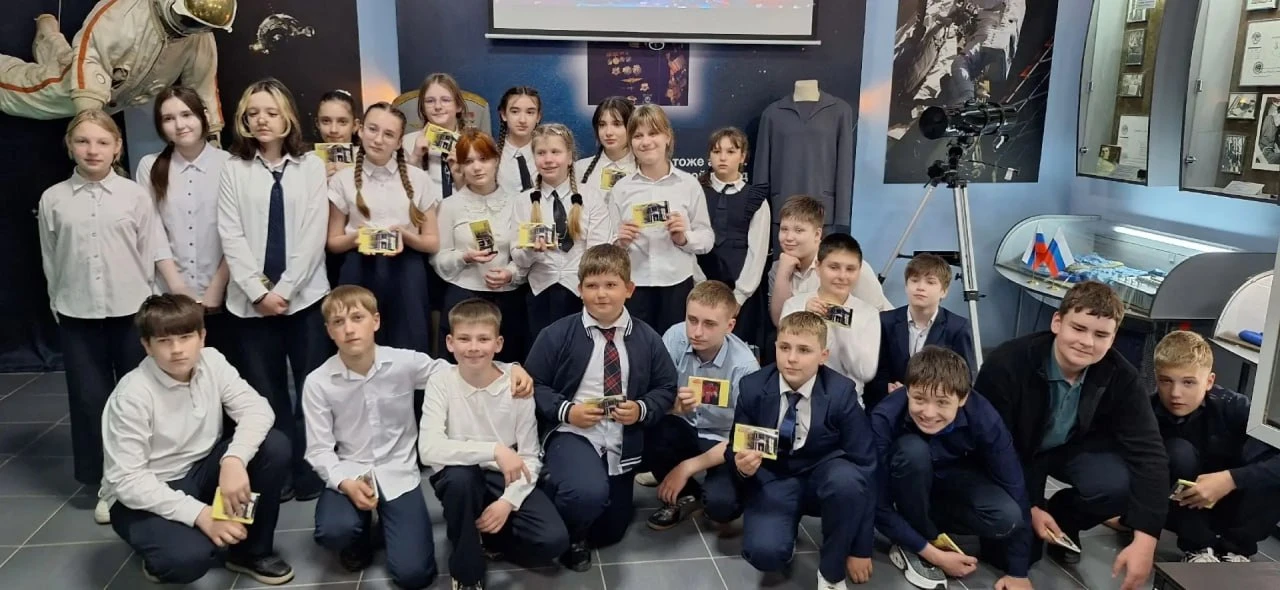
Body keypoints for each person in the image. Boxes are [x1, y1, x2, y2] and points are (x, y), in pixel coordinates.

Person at [302, 285, 535, 587]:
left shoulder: (404, 362)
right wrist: (344, 482)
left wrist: (512, 368)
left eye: (357, 318)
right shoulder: (318, 382)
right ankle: (355, 541)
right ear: (328, 330)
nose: (349, 329)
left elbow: (462, 365)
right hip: (350, 470)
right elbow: (318, 449)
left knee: (414, 575)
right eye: (338, 322)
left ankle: (389, 524)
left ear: (376, 321)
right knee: (334, 531)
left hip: (398, 472)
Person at [974, 281, 1168, 590]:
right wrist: (1030, 505)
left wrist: (1146, 539)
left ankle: (1065, 516)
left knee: (1120, 484)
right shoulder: (1007, 362)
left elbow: (1150, 453)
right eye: (1078, 328)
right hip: (1013, 454)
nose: (1087, 342)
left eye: (1101, 335)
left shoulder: (1123, 377)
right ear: (1057, 322)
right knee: (1012, 551)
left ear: (1113, 338)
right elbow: (991, 446)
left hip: (1070, 449)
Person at [101, 294, 293, 585]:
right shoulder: (132, 395)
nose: (177, 350)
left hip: (200, 471)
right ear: (147, 346)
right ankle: (159, 553)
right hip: (144, 492)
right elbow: (127, 481)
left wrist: (233, 460)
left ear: (202, 336)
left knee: (273, 447)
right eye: (164, 341)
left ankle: (249, 552)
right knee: (188, 558)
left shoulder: (212, 361)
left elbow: (257, 409)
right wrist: (201, 514)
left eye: (185, 337)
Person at [38, 109, 164, 520]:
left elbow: (148, 253)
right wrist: (58, 302)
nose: (92, 150)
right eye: (83, 141)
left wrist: (149, 306)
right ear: (70, 147)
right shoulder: (54, 199)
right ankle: (107, 484)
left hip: (131, 313)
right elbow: (50, 258)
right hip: (77, 313)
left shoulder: (135, 196)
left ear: (117, 148)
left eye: (102, 142)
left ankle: (146, 473)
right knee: (90, 400)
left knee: (137, 398)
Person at [525, 244, 678, 572]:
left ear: (629, 289)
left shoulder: (648, 338)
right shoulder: (557, 334)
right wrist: (567, 410)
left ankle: (569, 497)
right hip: (574, 431)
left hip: (622, 437)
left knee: (610, 531)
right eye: (592, 285)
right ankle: (572, 532)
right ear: (579, 289)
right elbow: (533, 384)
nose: (601, 294)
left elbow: (667, 387)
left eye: (611, 285)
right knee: (586, 494)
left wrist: (641, 409)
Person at [218, 78, 332, 502]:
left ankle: (311, 470)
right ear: (243, 121)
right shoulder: (233, 169)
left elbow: (313, 234)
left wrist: (284, 290)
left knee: (311, 389)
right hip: (249, 304)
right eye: (253, 113)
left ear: (287, 117)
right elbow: (230, 234)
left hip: (305, 298)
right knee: (265, 392)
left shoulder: (311, 166)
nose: (262, 120)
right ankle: (277, 471)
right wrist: (258, 292)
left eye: (271, 112)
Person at [421, 298, 570, 590]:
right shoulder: (441, 382)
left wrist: (507, 502)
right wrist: (495, 449)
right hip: (460, 473)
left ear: (498, 343)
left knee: (553, 541)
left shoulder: (517, 385)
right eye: (464, 339)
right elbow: (428, 449)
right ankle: (467, 570)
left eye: (483, 339)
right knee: (460, 481)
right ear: (450, 343)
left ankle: (483, 533)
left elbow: (529, 456)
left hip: (504, 475)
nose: (473, 347)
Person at [728, 310, 876, 589]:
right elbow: (735, 446)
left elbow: (866, 465)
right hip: (774, 478)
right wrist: (741, 467)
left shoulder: (841, 392)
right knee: (764, 553)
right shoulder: (753, 387)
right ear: (775, 347)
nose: (792, 358)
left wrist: (861, 547)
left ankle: (830, 574)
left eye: (804, 350)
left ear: (823, 355)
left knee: (848, 481)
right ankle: (784, 530)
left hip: (825, 477)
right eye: (784, 347)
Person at [871, 346, 1031, 590]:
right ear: (907, 390)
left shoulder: (984, 418)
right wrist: (933, 554)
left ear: (963, 399)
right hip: (902, 479)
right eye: (919, 399)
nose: (929, 412)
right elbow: (875, 502)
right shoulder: (884, 417)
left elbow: (1014, 485)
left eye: (942, 402)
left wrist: (1018, 572)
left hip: (952, 480)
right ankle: (916, 537)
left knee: (1008, 516)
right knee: (913, 451)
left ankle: (926, 522)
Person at [1151, 331, 1280, 563]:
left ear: (1209, 381)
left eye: (1189, 382)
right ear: (1156, 378)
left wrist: (1231, 479)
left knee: (1270, 461)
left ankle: (1236, 550)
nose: (1175, 394)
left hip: (1233, 505)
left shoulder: (1235, 406)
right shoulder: (1145, 413)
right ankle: (1197, 548)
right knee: (1177, 453)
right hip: (1181, 511)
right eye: (1166, 381)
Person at [327, 102, 440, 354]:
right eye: (372, 129)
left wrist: (406, 236)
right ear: (360, 129)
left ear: (399, 142)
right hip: (358, 269)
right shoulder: (341, 180)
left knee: (409, 348)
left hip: (406, 272)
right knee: (358, 346)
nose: (378, 140)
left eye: (388, 134)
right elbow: (333, 242)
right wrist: (357, 237)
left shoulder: (419, 179)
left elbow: (432, 241)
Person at [646, 280, 758, 530]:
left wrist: (687, 467)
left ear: (730, 326)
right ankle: (686, 495)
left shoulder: (745, 367)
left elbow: (745, 438)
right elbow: (655, 393)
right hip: (684, 428)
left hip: (723, 442)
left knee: (722, 507)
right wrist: (673, 407)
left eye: (709, 324)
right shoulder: (675, 337)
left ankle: (694, 478)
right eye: (692, 320)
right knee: (653, 424)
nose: (697, 332)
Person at [137, 87, 235, 354]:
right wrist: (177, 287)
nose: (180, 125)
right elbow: (153, 230)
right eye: (168, 119)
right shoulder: (150, 166)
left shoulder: (230, 164)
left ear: (203, 116)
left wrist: (217, 285)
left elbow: (237, 231)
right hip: (169, 296)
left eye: (186, 114)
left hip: (225, 294)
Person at [611, 104, 714, 334]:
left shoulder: (688, 185)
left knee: (675, 348)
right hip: (634, 285)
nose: (646, 141)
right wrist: (620, 242)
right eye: (638, 135)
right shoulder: (621, 189)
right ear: (631, 143)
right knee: (636, 348)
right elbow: (606, 245)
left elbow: (707, 239)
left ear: (667, 137)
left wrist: (684, 238)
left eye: (653, 133)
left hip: (678, 284)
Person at [510, 124, 612, 339]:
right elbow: (518, 257)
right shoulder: (523, 202)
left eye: (556, 152)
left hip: (581, 293)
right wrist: (531, 251)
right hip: (539, 294)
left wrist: (585, 283)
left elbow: (599, 251)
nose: (548, 159)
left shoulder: (591, 197)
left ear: (570, 157)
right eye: (541, 153)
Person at [433, 129, 525, 360]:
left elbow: (527, 254)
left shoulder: (518, 203)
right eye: (468, 161)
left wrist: (510, 273)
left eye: (483, 159)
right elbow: (438, 258)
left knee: (507, 368)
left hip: (508, 299)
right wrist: (463, 257)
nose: (477, 167)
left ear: (496, 160)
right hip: (462, 298)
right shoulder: (449, 206)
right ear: (460, 167)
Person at [866, 253, 975, 410]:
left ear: (944, 291)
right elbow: (875, 370)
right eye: (914, 280)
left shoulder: (957, 327)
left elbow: (964, 380)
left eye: (930, 282)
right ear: (906, 286)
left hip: (934, 409)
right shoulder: (885, 321)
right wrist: (887, 388)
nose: (920, 287)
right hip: (890, 405)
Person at [781, 233, 880, 402]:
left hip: (846, 403)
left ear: (859, 271)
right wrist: (805, 318)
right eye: (834, 267)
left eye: (850, 269)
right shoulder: (794, 305)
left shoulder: (868, 314)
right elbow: (786, 362)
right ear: (818, 266)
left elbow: (865, 372)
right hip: (797, 399)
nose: (842, 276)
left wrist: (838, 318)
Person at [695, 127, 771, 344]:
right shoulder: (696, 192)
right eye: (717, 151)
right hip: (702, 281)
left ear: (742, 156)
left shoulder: (756, 199)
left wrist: (740, 295)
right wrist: (699, 285)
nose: (723, 158)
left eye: (730, 151)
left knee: (739, 345)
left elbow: (758, 252)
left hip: (741, 287)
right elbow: (687, 244)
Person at [767, 196, 891, 329]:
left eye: (799, 230)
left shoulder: (848, 266)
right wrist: (783, 273)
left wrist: (815, 312)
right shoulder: (779, 267)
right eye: (784, 229)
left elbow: (876, 316)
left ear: (817, 234)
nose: (788, 237)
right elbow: (780, 322)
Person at [403, 72, 467, 197]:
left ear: (459, 106)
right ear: (423, 108)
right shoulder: (406, 143)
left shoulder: (473, 144)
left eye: (445, 100)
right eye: (430, 101)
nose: (437, 106)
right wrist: (415, 158)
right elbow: (400, 195)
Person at [576, 97, 636, 206]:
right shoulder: (579, 169)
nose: (608, 132)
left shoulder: (645, 170)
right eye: (602, 125)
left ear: (632, 127)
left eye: (617, 124)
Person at [494, 86, 542, 193]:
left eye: (530, 112)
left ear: (538, 117)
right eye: (515, 112)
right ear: (503, 115)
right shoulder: (491, 156)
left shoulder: (548, 155)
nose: (522, 120)